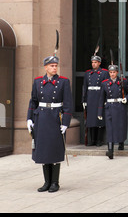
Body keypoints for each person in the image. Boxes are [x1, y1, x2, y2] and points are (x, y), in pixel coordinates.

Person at [26, 55, 72, 192]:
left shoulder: (63, 81)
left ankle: (55, 183)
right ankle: (46, 182)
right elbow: (33, 101)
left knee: (55, 149)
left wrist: (66, 122)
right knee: (44, 150)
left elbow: (68, 104)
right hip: (41, 118)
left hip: (55, 118)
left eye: (56, 65)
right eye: (52, 66)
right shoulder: (37, 81)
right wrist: (29, 118)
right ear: (45, 67)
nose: (54, 68)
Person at [98, 64, 128, 159]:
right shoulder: (104, 83)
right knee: (110, 128)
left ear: (117, 72)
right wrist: (99, 112)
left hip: (120, 106)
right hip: (109, 107)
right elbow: (101, 98)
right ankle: (110, 150)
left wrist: (126, 98)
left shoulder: (123, 81)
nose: (112, 74)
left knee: (120, 126)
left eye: (114, 72)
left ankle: (121, 142)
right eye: (110, 72)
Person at [82, 55, 108, 146]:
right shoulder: (88, 73)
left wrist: (106, 99)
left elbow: (106, 87)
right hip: (90, 97)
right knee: (91, 120)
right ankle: (92, 140)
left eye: (95, 62)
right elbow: (85, 87)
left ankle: (99, 140)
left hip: (99, 97)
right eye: (92, 62)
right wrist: (84, 100)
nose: (93, 64)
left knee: (99, 119)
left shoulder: (104, 73)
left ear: (99, 63)